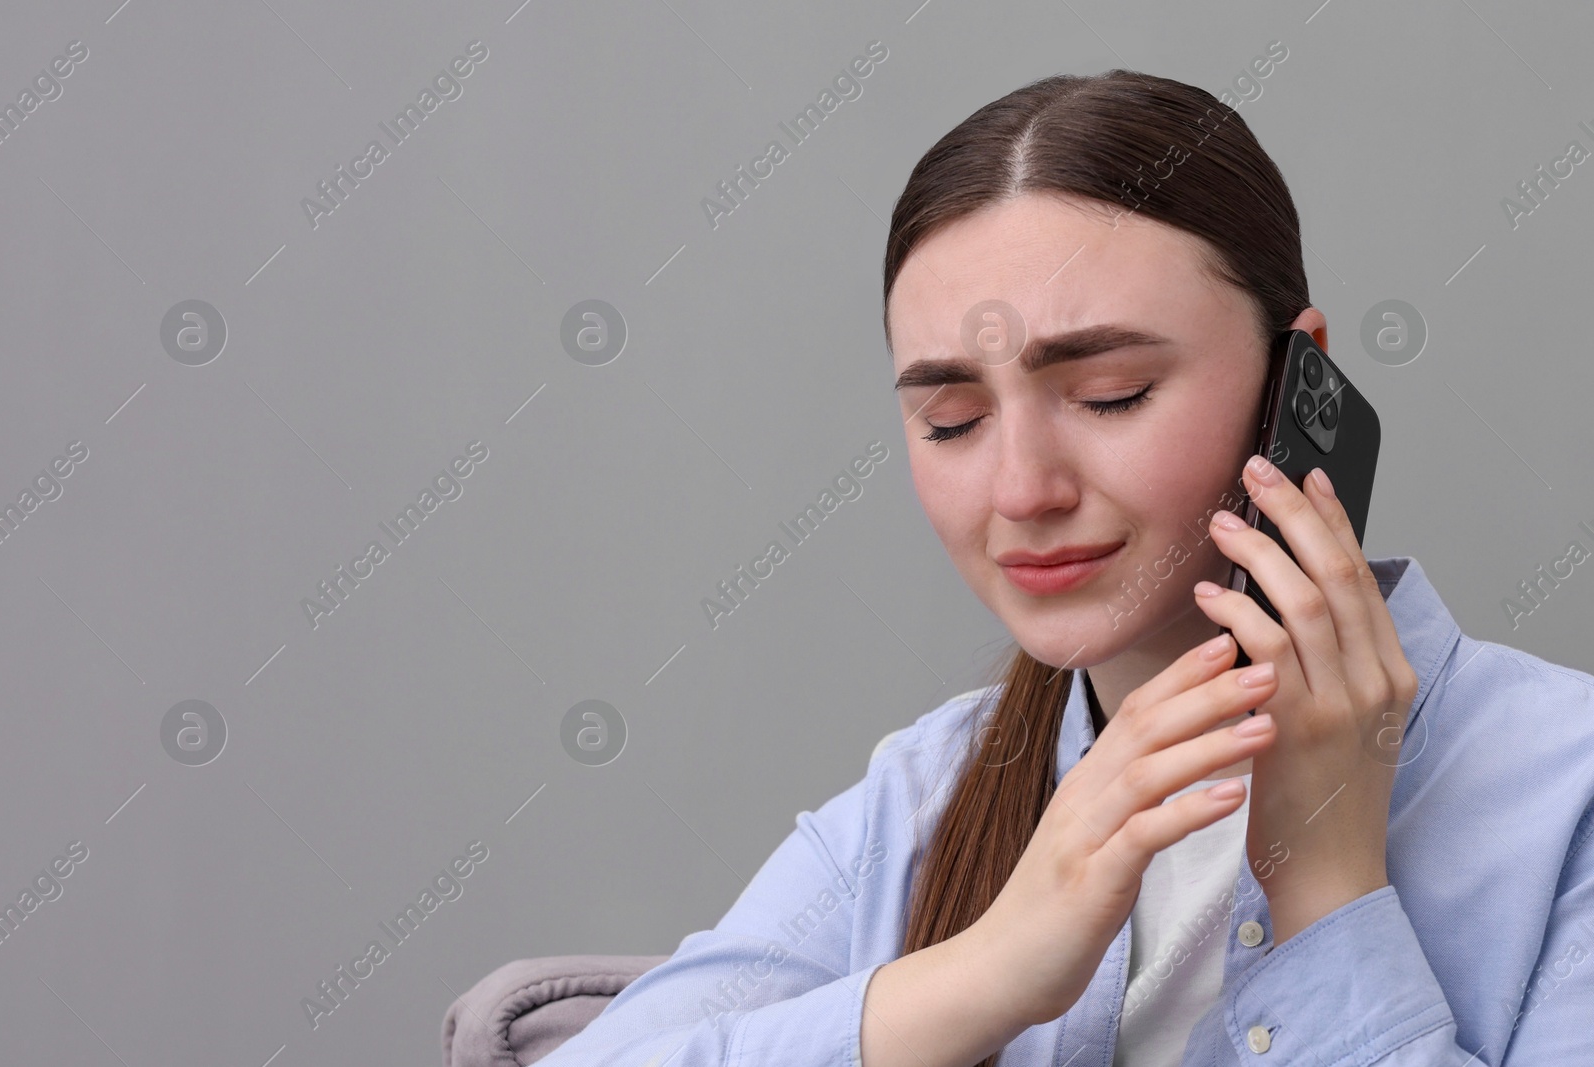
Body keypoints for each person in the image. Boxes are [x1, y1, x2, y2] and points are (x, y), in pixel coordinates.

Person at [532, 69, 1594, 1067]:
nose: (1021, 490)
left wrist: (1326, 894)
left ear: (1298, 381)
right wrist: (988, 971)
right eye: (951, 420)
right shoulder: (922, 797)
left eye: (1111, 394)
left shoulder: (1565, 795)